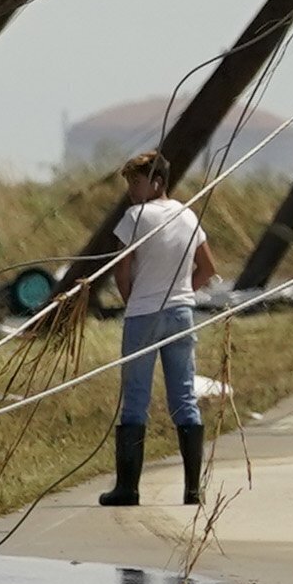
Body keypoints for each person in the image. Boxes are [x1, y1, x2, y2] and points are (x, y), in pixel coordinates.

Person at [84, 149, 209, 508]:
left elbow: (122, 268)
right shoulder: (188, 214)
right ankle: (192, 490)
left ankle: (128, 488)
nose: (131, 192)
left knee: (136, 399)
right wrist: (183, 293)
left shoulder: (134, 217)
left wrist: (131, 300)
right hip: (181, 314)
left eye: (135, 183)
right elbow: (206, 267)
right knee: (184, 397)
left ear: (156, 182)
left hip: (143, 315)